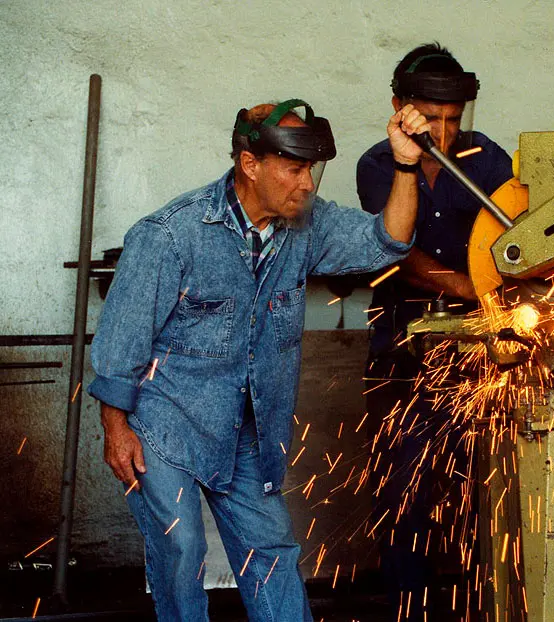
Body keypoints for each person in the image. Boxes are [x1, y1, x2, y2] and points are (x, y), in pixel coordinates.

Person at [88, 98, 430, 622]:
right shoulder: (170, 235)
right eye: (294, 170)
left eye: (310, 169)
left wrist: (406, 163)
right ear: (250, 165)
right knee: (181, 554)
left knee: (271, 552)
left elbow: (388, 242)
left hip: (246, 425)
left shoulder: (305, 226)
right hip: (163, 424)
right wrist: (116, 428)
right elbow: (120, 346)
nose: (308, 184)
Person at [356, 43, 514, 616]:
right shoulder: (378, 164)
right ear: (401, 107)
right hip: (402, 350)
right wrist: (467, 287)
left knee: (486, 489)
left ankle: (488, 601)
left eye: (454, 121)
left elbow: (515, 236)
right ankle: (410, 607)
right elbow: (399, 253)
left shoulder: (489, 160)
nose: (445, 136)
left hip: (478, 355)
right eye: (433, 120)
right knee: (407, 493)